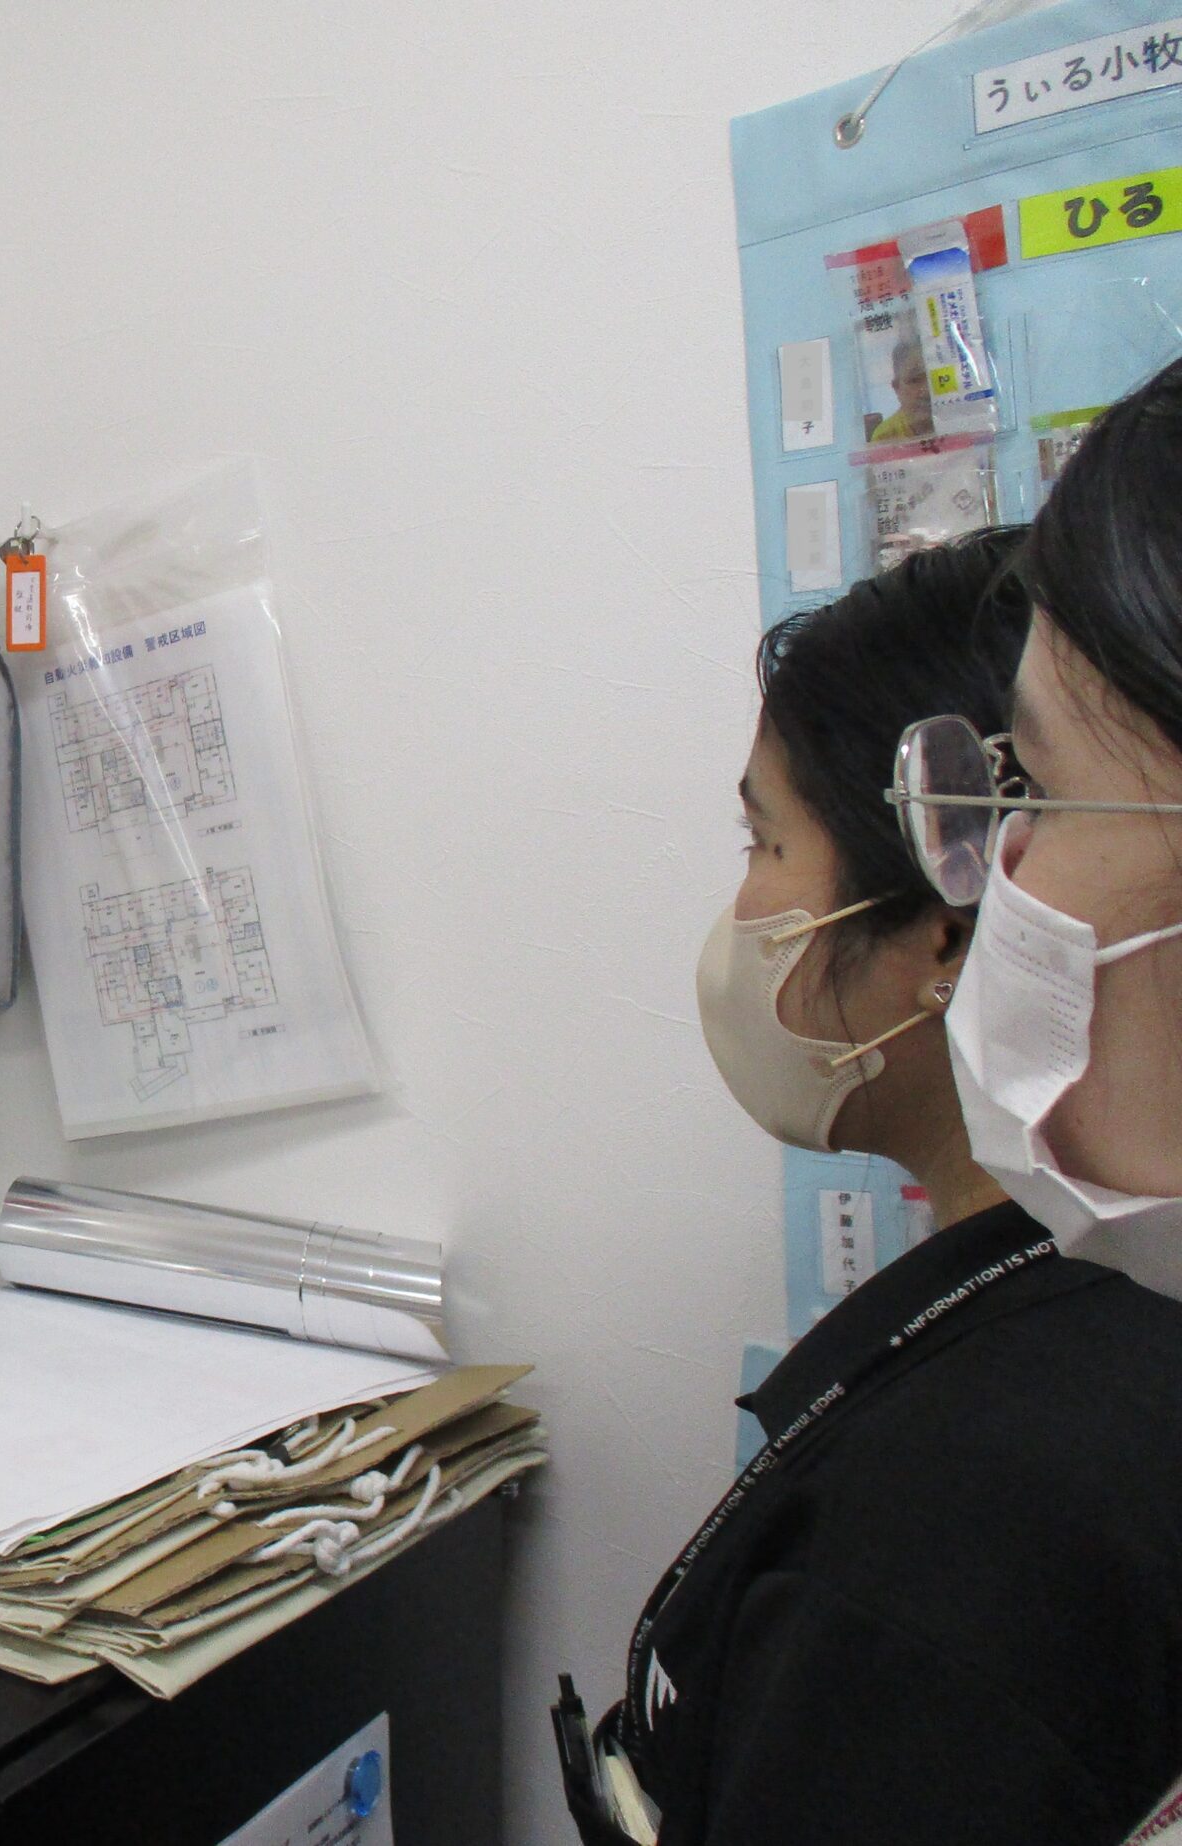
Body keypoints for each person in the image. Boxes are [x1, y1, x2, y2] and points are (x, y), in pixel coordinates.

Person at [558, 502, 1182, 1845]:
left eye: (764, 844)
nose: (741, 913)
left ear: (949, 927)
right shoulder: (1108, 1292)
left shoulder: (953, 1531)